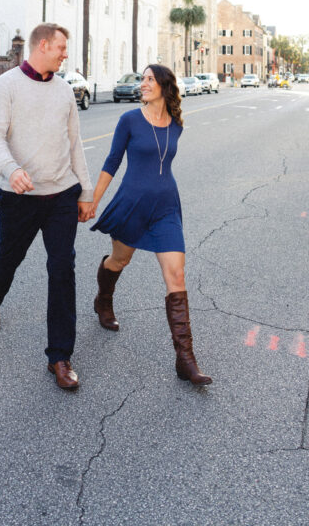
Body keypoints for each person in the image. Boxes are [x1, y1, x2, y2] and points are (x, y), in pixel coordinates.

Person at [0, 23, 93, 391]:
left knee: (62, 269)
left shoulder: (64, 90)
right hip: (19, 197)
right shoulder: (7, 85)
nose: (65, 54)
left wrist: (86, 191)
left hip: (61, 195)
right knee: (8, 256)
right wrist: (10, 170)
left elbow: (74, 143)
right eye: (61, 47)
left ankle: (59, 356)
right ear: (43, 45)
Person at [84, 63, 212, 386]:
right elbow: (112, 162)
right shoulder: (129, 120)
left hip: (166, 207)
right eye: (142, 79)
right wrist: (93, 200)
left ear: (164, 86)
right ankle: (103, 300)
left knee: (176, 274)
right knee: (119, 260)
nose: (143, 84)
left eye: (149, 79)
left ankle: (186, 360)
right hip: (132, 205)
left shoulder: (176, 124)